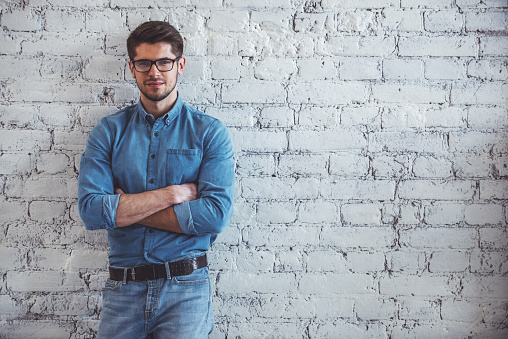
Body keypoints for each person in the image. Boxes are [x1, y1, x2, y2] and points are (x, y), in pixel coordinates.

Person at [78, 21, 235, 338]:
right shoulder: (108, 132)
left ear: (180, 65)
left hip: (186, 291)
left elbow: (216, 215)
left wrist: (125, 211)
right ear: (131, 67)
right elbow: (93, 211)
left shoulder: (209, 133)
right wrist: (173, 194)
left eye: (164, 62)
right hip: (123, 290)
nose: (154, 72)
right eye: (144, 63)